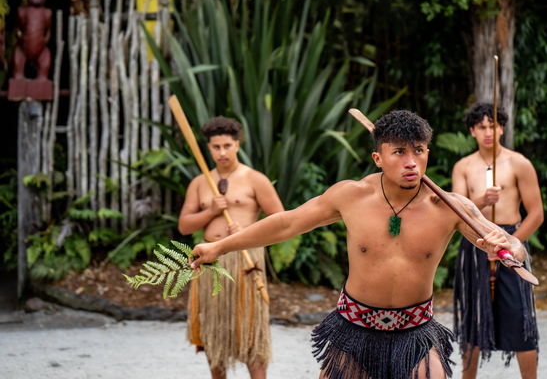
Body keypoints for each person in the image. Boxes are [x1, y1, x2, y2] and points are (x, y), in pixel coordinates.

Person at [190, 110, 529, 379]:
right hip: (354, 329)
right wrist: (220, 247)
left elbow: (513, 246)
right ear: (378, 158)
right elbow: (286, 223)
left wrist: (509, 247)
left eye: (419, 151)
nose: (411, 162)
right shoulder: (351, 196)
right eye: (399, 152)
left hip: (416, 332)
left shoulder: (452, 207)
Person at [179, 116, 285, 379]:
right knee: (214, 332)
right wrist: (211, 211)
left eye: (227, 145)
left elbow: (280, 221)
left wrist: (248, 232)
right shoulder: (200, 182)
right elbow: (184, 225)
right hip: (209, 262)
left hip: (244, 261)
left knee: (251, 331)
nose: (222, 152)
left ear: (237, 145)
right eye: (216, 147)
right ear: (209, 148)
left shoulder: (254, 179)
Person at [451, 102, 544, 379]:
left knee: (519, 313)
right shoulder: (463, 167)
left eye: (493, 125)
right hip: (476, 241)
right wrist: (482, 200)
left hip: (511, 241)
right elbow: (457, 210)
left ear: (502, 128)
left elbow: (536, 214)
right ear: (472, 131)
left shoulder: (519, 163)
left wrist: (509, 244)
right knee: (474, 316)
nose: (488, 132)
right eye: (481, 127)